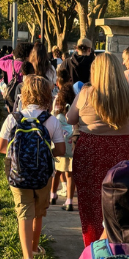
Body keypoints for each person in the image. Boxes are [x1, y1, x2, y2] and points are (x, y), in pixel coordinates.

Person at [67, 52, 129, 246]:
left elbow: (70, 118)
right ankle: (118, 243)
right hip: (122, 152)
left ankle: (92, 247)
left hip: (90, 152)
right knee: (120, 201)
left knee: (91, 204)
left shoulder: (86, 92)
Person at [0, 75, 67, 259]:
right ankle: (35, 247)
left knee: (24, 213)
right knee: (38, 212)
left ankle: (27, 258)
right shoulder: (51, 121)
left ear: (24, 94)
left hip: (18, 175)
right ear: (47, 95)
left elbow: (0, 147)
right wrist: (44, 153)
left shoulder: (13, 118)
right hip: (43, 175)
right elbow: (61, 150)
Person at [52, 69, 77, 210]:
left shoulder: (57, 100)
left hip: (59, 139)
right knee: (70, 173)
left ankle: (53, 195)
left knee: (57, 171)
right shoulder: (75, 99)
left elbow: (52, 116)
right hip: (71, 140)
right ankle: (69, 200)